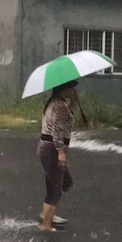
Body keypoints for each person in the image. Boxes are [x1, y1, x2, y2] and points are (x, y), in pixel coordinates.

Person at [38, 80, 80, 233]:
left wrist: (74, 104)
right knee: (55, 188)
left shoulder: (57, 103)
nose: (73, 90)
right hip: (52, 149)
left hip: (47, 148)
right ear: (64, 89)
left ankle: (47, 213)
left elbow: (63, 118)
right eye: (71, 88)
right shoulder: (58, 105)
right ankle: (46, 225)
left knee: (63, 182)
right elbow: (56, 130)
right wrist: (61, 152)